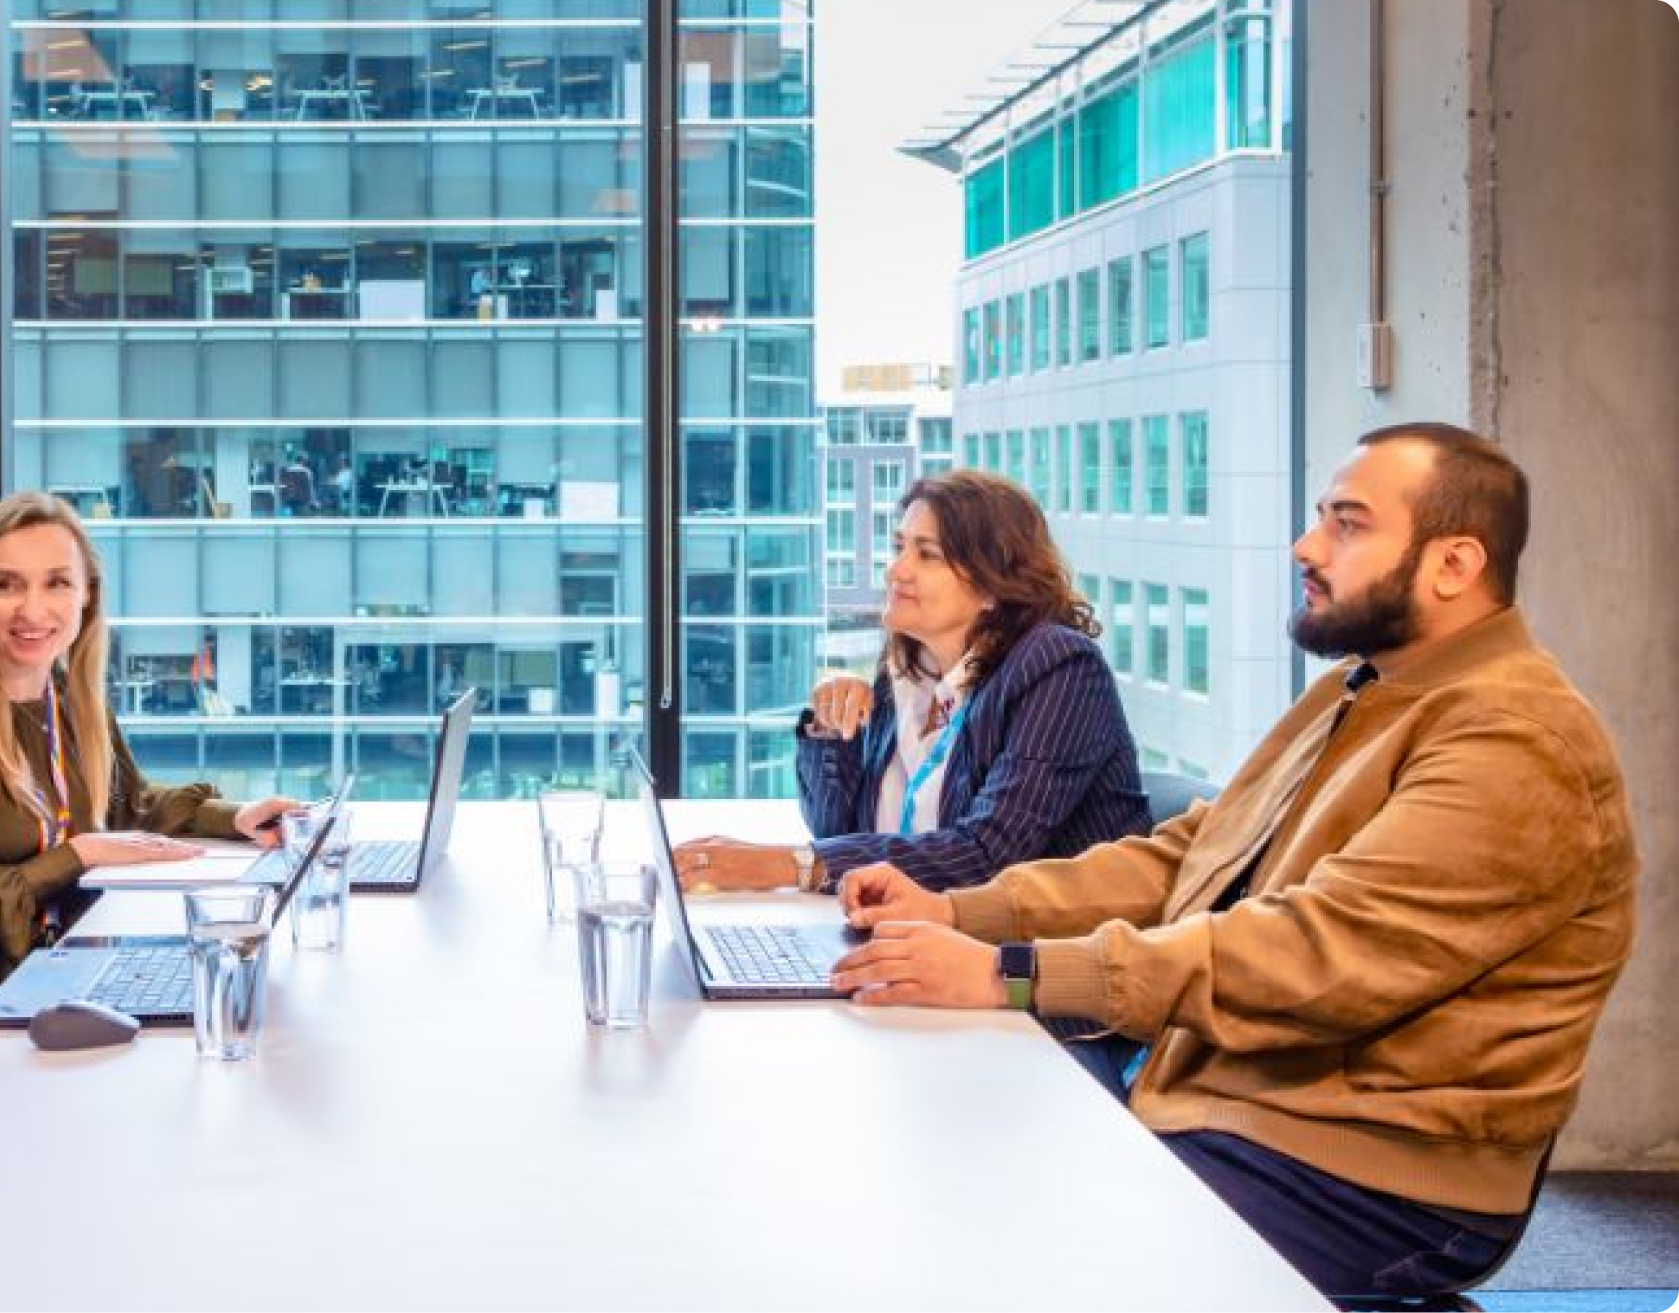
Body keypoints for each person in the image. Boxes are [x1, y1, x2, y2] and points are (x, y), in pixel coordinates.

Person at [826, 425, 1637, 1304]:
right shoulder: (1360, 690)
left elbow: (1313, 954)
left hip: (1369, 1175)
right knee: (946, 1180)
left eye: (1347, 524)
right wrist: (961, 915)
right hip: (1230, 1102)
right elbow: (1189, 856)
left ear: (1452, 564)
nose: (1305, 544)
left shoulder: (1513, 738)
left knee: (1007, 1264)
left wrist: (1011, 975)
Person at [0, 493, 296, 981]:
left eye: (57, 583)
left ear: (86, 593)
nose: (32, 610)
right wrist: (76, 857)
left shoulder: (67, 693)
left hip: (78, 967)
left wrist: (237, 817)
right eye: (6, 585)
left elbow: (127, 805)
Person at [673, 469, 1148, 897]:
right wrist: (831, 726)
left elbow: (989, 856)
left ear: (991, 586)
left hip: (1032, 968)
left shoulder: (1058, 667)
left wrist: (786, 864)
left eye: (926, 554)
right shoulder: (907, 672)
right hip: (921, 941)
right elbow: (835, 829)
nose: (896, 570)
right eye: (900, 547)